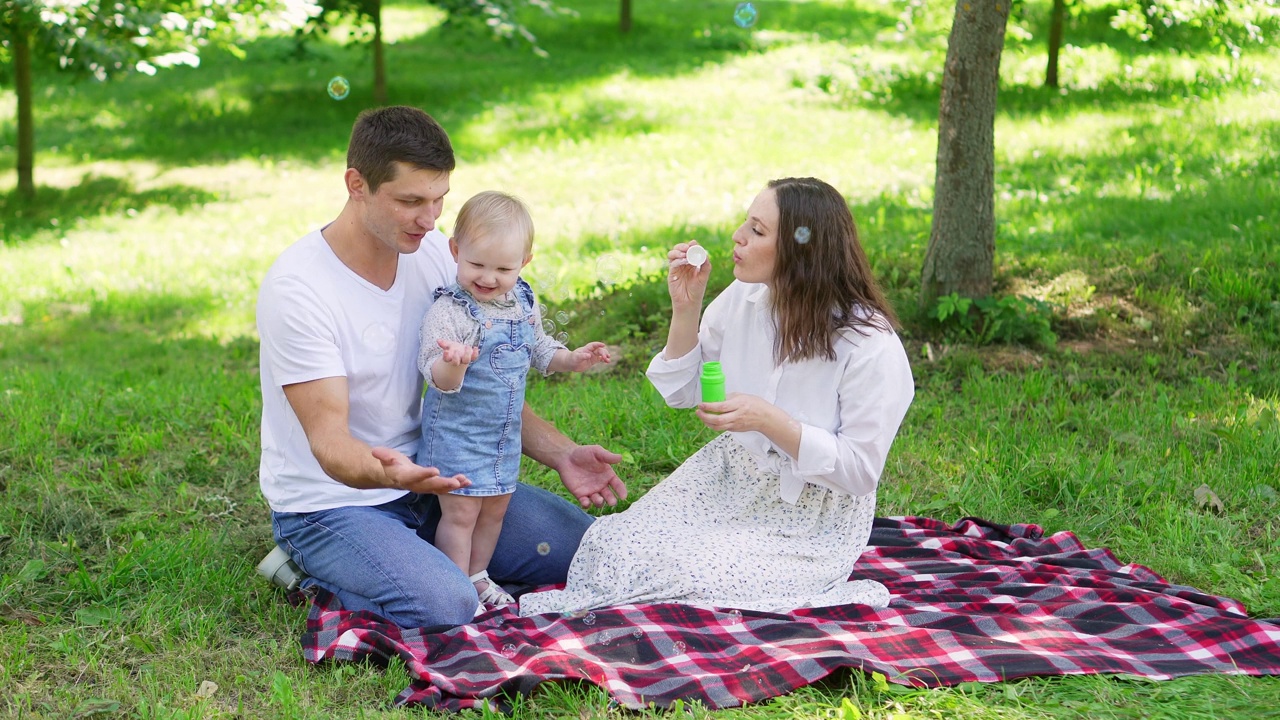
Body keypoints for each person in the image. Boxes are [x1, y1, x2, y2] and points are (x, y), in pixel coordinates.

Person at [254, 105, 626, 629]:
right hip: (334, 504)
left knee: (588, 550)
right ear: (356, 184)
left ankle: (425, 558)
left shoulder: (435, 254)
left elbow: (484, 388)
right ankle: (308, 566)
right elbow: (329, 441)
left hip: (441, 474)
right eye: (410, 201)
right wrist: (392, 472)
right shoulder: (300, 290)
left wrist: (562, 453)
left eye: (439, 200)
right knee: (446, 606)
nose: (430, 221)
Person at [519, 177, 914, 616]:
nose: (738, 237)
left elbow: (860, 472)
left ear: (802, 251)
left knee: (684, 576)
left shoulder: (869, 345)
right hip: (730, 480)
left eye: (758, 231)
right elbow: (685, 391)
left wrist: (771, 422)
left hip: (809, 515)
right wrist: (686, 307)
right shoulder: (746, 298)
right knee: (614, 549)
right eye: (746, 223)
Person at [418, 190, 611, 613]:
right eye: (476, 265)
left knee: (494, 514)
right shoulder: (450, 311)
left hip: (503, 439)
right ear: (455, 251)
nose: (488, 278)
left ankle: (478, 575)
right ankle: (457, 589)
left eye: (503, 268)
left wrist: (573, 360)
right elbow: (435, 375)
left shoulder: (522, 300)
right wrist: (455, 363)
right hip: (458, 437)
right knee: (462, 516)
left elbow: (540, 349)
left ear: (524, 261)